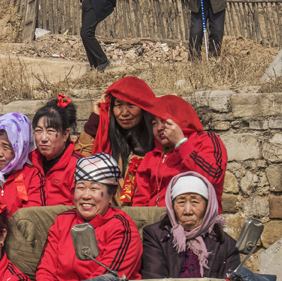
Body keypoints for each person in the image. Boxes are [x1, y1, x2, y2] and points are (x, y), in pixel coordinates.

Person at [141, 171, 239, 281]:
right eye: (181, 202)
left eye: (195, 202)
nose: (187, 210)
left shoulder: (226, 244)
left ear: (208, 205)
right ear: (172, 206)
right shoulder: (157, 236)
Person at [132, 95, 227, 207]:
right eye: (155, 123)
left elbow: (213, 176)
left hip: (195, 220)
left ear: (179, 119)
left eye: (164, 121)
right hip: (155, 221)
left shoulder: (207, 141)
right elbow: (140, 201)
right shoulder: (151, 157)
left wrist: (181, 143)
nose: (159, 128)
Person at [76, 76, 159, 205]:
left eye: (131, 105)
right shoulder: (107, 141)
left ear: (143, 108)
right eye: (118, 105)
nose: (124, 112)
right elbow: (81, 162)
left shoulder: (157, 142)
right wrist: (96, 119)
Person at [29, 95, 81, 206]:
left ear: (65, 135)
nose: (43, 138)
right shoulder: (28, 161)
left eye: (50, 131)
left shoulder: (78, 165)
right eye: (38, 131)